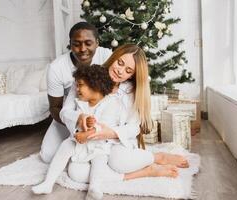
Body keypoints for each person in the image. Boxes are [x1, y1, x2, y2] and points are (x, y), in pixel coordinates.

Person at [60, 44, 189, 196]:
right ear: (114, 57)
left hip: (114, 143)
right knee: (76, 174)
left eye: (128, 70)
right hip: (88, 142)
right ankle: (147, 171)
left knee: (118, 162)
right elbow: (65, 112)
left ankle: (157, 157)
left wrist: (111, 133)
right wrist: (79, 117)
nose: (120, 71)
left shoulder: (130, 91)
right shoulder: (89, 75)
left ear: (132, 76)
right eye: (120, 63)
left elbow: (134, 127)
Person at [33, 65, 130, 199]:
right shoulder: (81, 103)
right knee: (66, 145)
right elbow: (75, 121)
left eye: (80, 85)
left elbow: (106, 127)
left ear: (95, 86)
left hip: (100, 144)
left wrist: (89, 131)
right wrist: (83, 126)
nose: (77, 89)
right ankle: (48, 183)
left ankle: (94, 188)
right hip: (80, 142)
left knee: (99, 160)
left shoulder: (112, 103)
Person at [40, 22, 112, 163]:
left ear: (97, 43)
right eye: (77, 44)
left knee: (104, 152)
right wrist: (76, 123)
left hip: (101, 115)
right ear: (70, 44)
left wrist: (95, 126)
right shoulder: (56, 68)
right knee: (47, 156)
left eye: (88, 43)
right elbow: (55, 107)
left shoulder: (107, 56)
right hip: (69, 115)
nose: (82, 49)